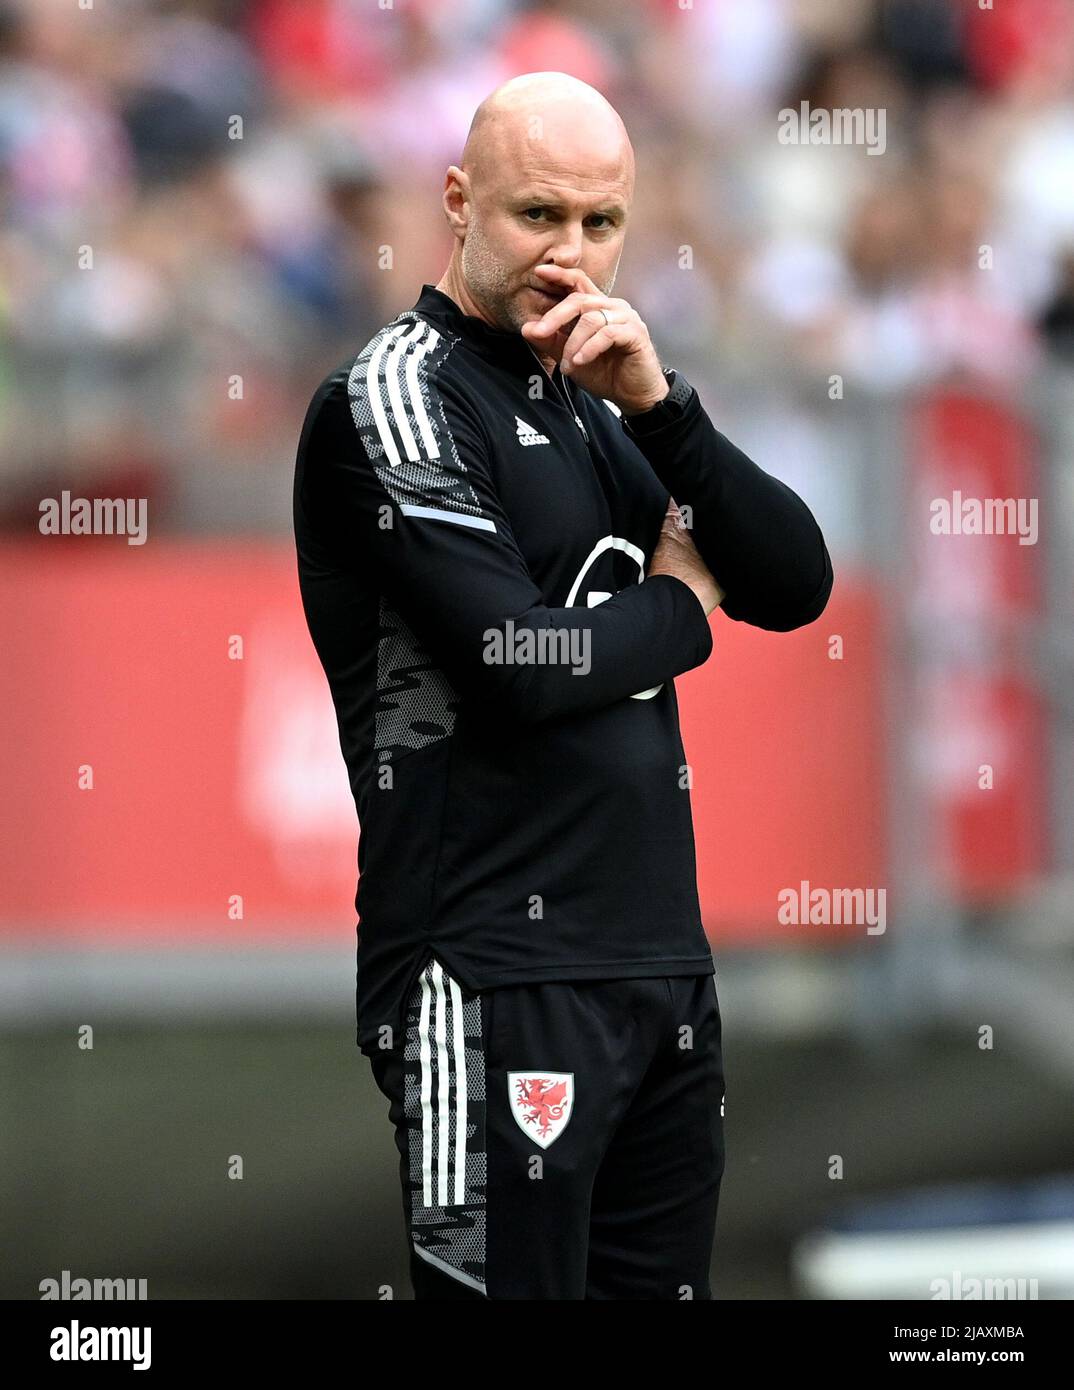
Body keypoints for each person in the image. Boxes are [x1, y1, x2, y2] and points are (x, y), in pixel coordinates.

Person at [292, 71, 833, 1300]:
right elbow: (516, 662)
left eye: (602, 223)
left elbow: (795, 579)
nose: (571, 256)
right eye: (540, 216)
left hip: (657, 969)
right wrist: (682, 607)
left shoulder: (595, 401)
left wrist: (663, 405)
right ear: (458, 199)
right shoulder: (395, 395)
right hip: (487, 976)